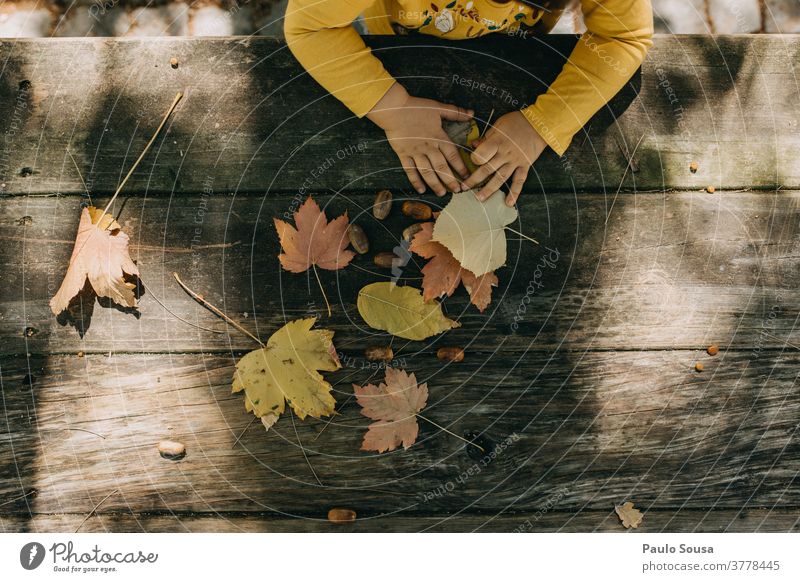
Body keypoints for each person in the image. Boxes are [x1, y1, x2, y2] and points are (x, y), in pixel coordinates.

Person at [285, 0, 653, 206]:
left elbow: (623, 37)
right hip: (399, 47)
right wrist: (391, 107)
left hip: (514, 53)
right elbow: (309, 26)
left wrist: (544, 121)